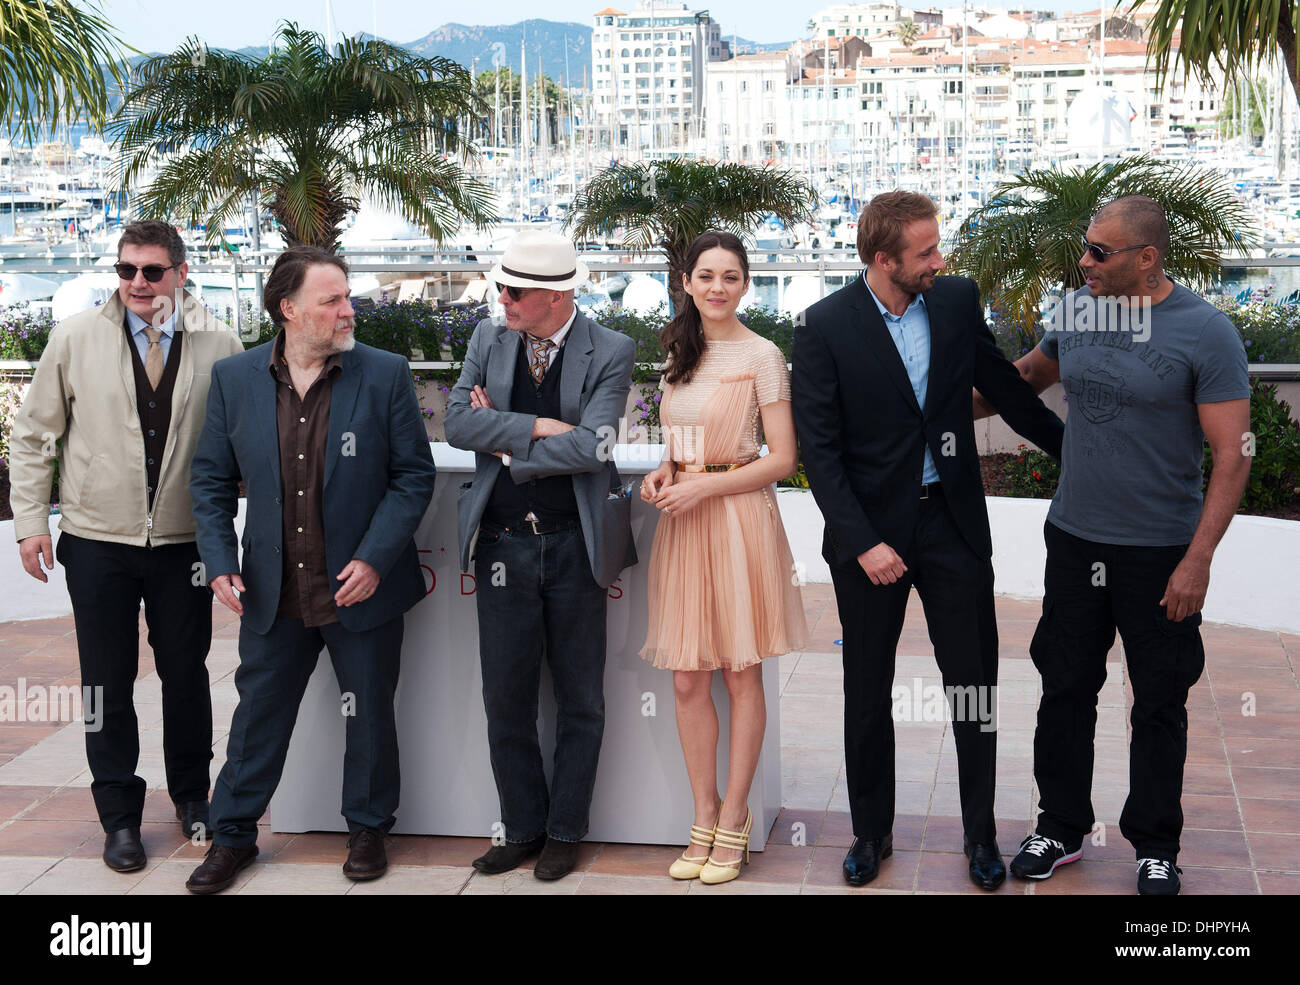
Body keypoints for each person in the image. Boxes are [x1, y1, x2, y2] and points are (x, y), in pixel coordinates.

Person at [977, 196, 1251, 895]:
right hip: (1075, 539)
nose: (1085, 260)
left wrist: (1198, 558)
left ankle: (1156, 844)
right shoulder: (1080, 309)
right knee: (1065, 685)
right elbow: (1028, 378)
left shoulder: (1205, 332)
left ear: (1147, 258)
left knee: (1159, 697)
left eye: (1100, 251)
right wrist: (931, 401)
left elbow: (1232, 454)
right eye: (1086, 246)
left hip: (1161, 550)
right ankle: (1060, 825)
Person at [792, 190, 1065, 890]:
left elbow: (1005, 388)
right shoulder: (823, 327)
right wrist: (861, 542)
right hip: (871, 536)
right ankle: (870, 833)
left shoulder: (952, 300)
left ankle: (980, 840)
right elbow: (819, 452)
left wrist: (1075, 450)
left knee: (973, 686)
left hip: (952, 524)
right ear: (884, 260)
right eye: (925, 253)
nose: (939, 262)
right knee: (867, 691)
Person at [183, 246, 436, 894]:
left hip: (361, 588)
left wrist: (375, 558)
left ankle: (368, 829)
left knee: (371, 715)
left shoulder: (383, 374)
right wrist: (217, 561)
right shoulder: (236, 379)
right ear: (288, 308)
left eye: (347, 296)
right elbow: (209, 479)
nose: (348, 309)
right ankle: (231, 835)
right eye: (332, 300)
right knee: (257, 717)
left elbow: (413, 476)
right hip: (273, 590)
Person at [9, 221, 243, 872]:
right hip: (95, 539)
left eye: (151, 271)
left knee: (186, 675)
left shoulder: (218, 342)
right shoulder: (76, 338)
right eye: (126, 270)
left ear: (181, 273)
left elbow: (238, 442)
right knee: (104, 683)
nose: (137, 283)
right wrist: (32, 520)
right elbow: (34, 436)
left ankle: (193, 796)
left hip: (182, 541)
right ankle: (119, 818)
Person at [444, 229, 636, 882]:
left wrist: (506, 447)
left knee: (581, 698)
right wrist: (538, 427)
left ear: (556, 296)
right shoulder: (487, 337)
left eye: (515, 291)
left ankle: (564, 830)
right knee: (507, 698)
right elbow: (456, 422)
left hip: (576, 545)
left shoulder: (610, 348)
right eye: (501, 286)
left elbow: (595, 447)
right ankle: (521, 827)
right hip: (500, 546)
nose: (503, 298)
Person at [639, 231, 808, 884]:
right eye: (705, 275)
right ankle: (702, 813)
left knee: (741, 674)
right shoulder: (676, 351)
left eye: (730, 276)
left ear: (745, 284)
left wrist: (704, 482)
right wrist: (663, 472)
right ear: (686, 282)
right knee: (686, 677)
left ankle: (734, 816)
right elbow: (678, 443)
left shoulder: (763, 355)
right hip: (686, 521)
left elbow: (784, 458)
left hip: (737, 517)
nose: (716, 286)